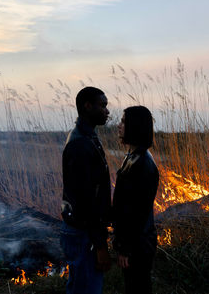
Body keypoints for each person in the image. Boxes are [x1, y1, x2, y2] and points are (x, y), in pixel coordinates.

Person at [60, 86, 112, 294]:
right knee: (86, 288)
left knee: (80, 287)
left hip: (82, 232)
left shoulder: (86, 136)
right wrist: (100, 245)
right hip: (83, 234)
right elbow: (85, 201)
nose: (107, 111)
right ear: (87, 106)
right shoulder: (80, 143)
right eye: (103, 105)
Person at [112, 106, 159, 294]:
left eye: (123, 121)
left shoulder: (142, 162)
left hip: (138, 245)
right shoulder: (133, 156)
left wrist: (125, 248)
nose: (118, 126)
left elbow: (138, 211)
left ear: (135, 125)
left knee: (138, 287)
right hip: (136, 242)